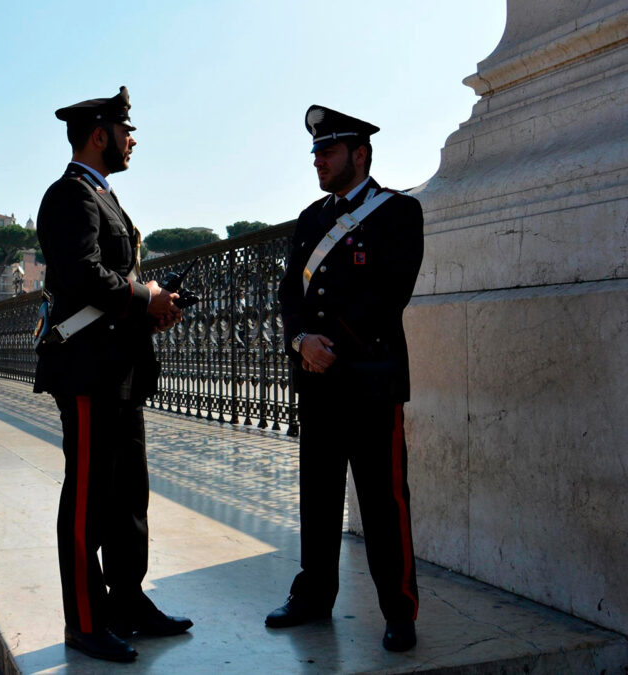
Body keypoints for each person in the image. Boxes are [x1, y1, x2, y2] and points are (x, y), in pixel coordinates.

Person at [33, 86, 188, 663]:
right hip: (87, 372)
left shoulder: (100, 196)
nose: (132, 141)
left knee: (128, 497)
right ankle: (85, 619)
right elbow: (80, 275)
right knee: (89, 499)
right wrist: (144, 296)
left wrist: (154, 306)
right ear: (99, 134)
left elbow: (109, 280)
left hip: (119, 366)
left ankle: (127, 601)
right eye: (126, 131)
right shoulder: (69, 195)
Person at [267, 105, 425, 653]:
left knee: (384, 503)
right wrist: (300, 343)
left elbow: (389, 293)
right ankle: (313, 596)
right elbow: (291, 294)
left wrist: (329, 343)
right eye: (315, 152)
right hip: (318, 380)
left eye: (327, 151)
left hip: (371, 379)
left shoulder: (399, 213)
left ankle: (399, 609)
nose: (318, 161)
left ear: (360, 154)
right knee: (318, 496)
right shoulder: (311, 219)